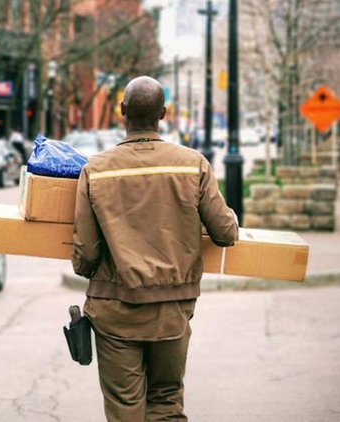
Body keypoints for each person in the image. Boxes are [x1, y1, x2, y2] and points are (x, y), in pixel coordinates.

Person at [71, 76, 238, 422]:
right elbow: (224, 233)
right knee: (165, 402)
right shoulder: (193, 165)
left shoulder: (96, 170)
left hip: (114, 311)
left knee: (125, 408)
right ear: (163, 113)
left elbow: (85, 255)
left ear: (122, 112)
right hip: (171, 312)